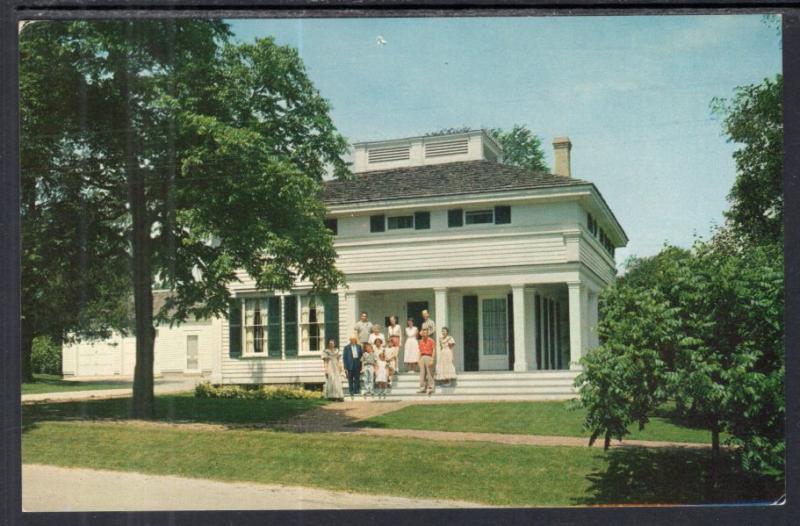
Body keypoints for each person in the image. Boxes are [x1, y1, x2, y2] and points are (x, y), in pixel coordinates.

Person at [417, 328, 436, 395]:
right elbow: (419, 351)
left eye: (425, 333)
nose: (424, 334)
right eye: (423, 333)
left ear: (428, 333)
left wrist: (432, 359)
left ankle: (431, 387)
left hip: (428, 356)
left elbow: (433, 350)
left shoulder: (431, 341)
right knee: (422, 373)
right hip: (422, 357)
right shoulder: (421, 341)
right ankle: (422, 388)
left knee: (429, 373)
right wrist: (419, 359)